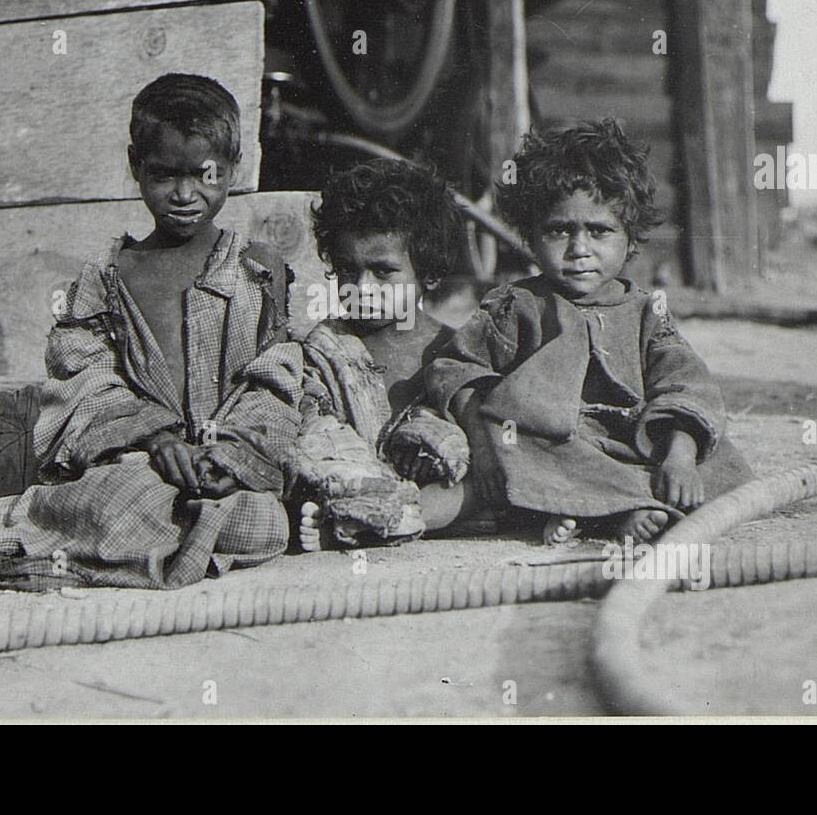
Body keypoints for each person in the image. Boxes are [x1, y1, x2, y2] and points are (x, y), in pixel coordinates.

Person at [0, 73, 303, 589]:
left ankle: (143, 541)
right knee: (120, 496)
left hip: (226, 476)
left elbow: (273, 383)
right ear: (135, 166)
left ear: (234, 169)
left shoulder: (257, 273)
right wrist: (155, 439)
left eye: (205, 174)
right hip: (138, 465)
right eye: (164, 175)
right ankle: (163, 540)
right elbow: (85, 380)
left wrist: (229, 457)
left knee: (264, 522)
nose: (184, 194)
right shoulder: (106, 279)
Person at [426, 120, 754, 545]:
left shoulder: (645, 312)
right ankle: (613, 511)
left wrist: (680, 455)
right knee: (514, 442)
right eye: (559, 230)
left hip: (635, 442)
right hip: (554, 446)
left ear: (630, 240)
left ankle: (594, 509)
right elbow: (459, 369)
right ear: (531, 236)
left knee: (721, 461)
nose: (579, 248)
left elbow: (684, 381)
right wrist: (482, 441)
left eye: (599, 231)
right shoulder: (515, 305)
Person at [289, 160, 476, 550]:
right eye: (347, 270)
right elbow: (316, 431)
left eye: (383, 272)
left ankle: (383, 521)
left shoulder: (458, 349)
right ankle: (363, 517)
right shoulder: (326, 352)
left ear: (430, 272)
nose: (362, 288)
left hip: (437, 498)